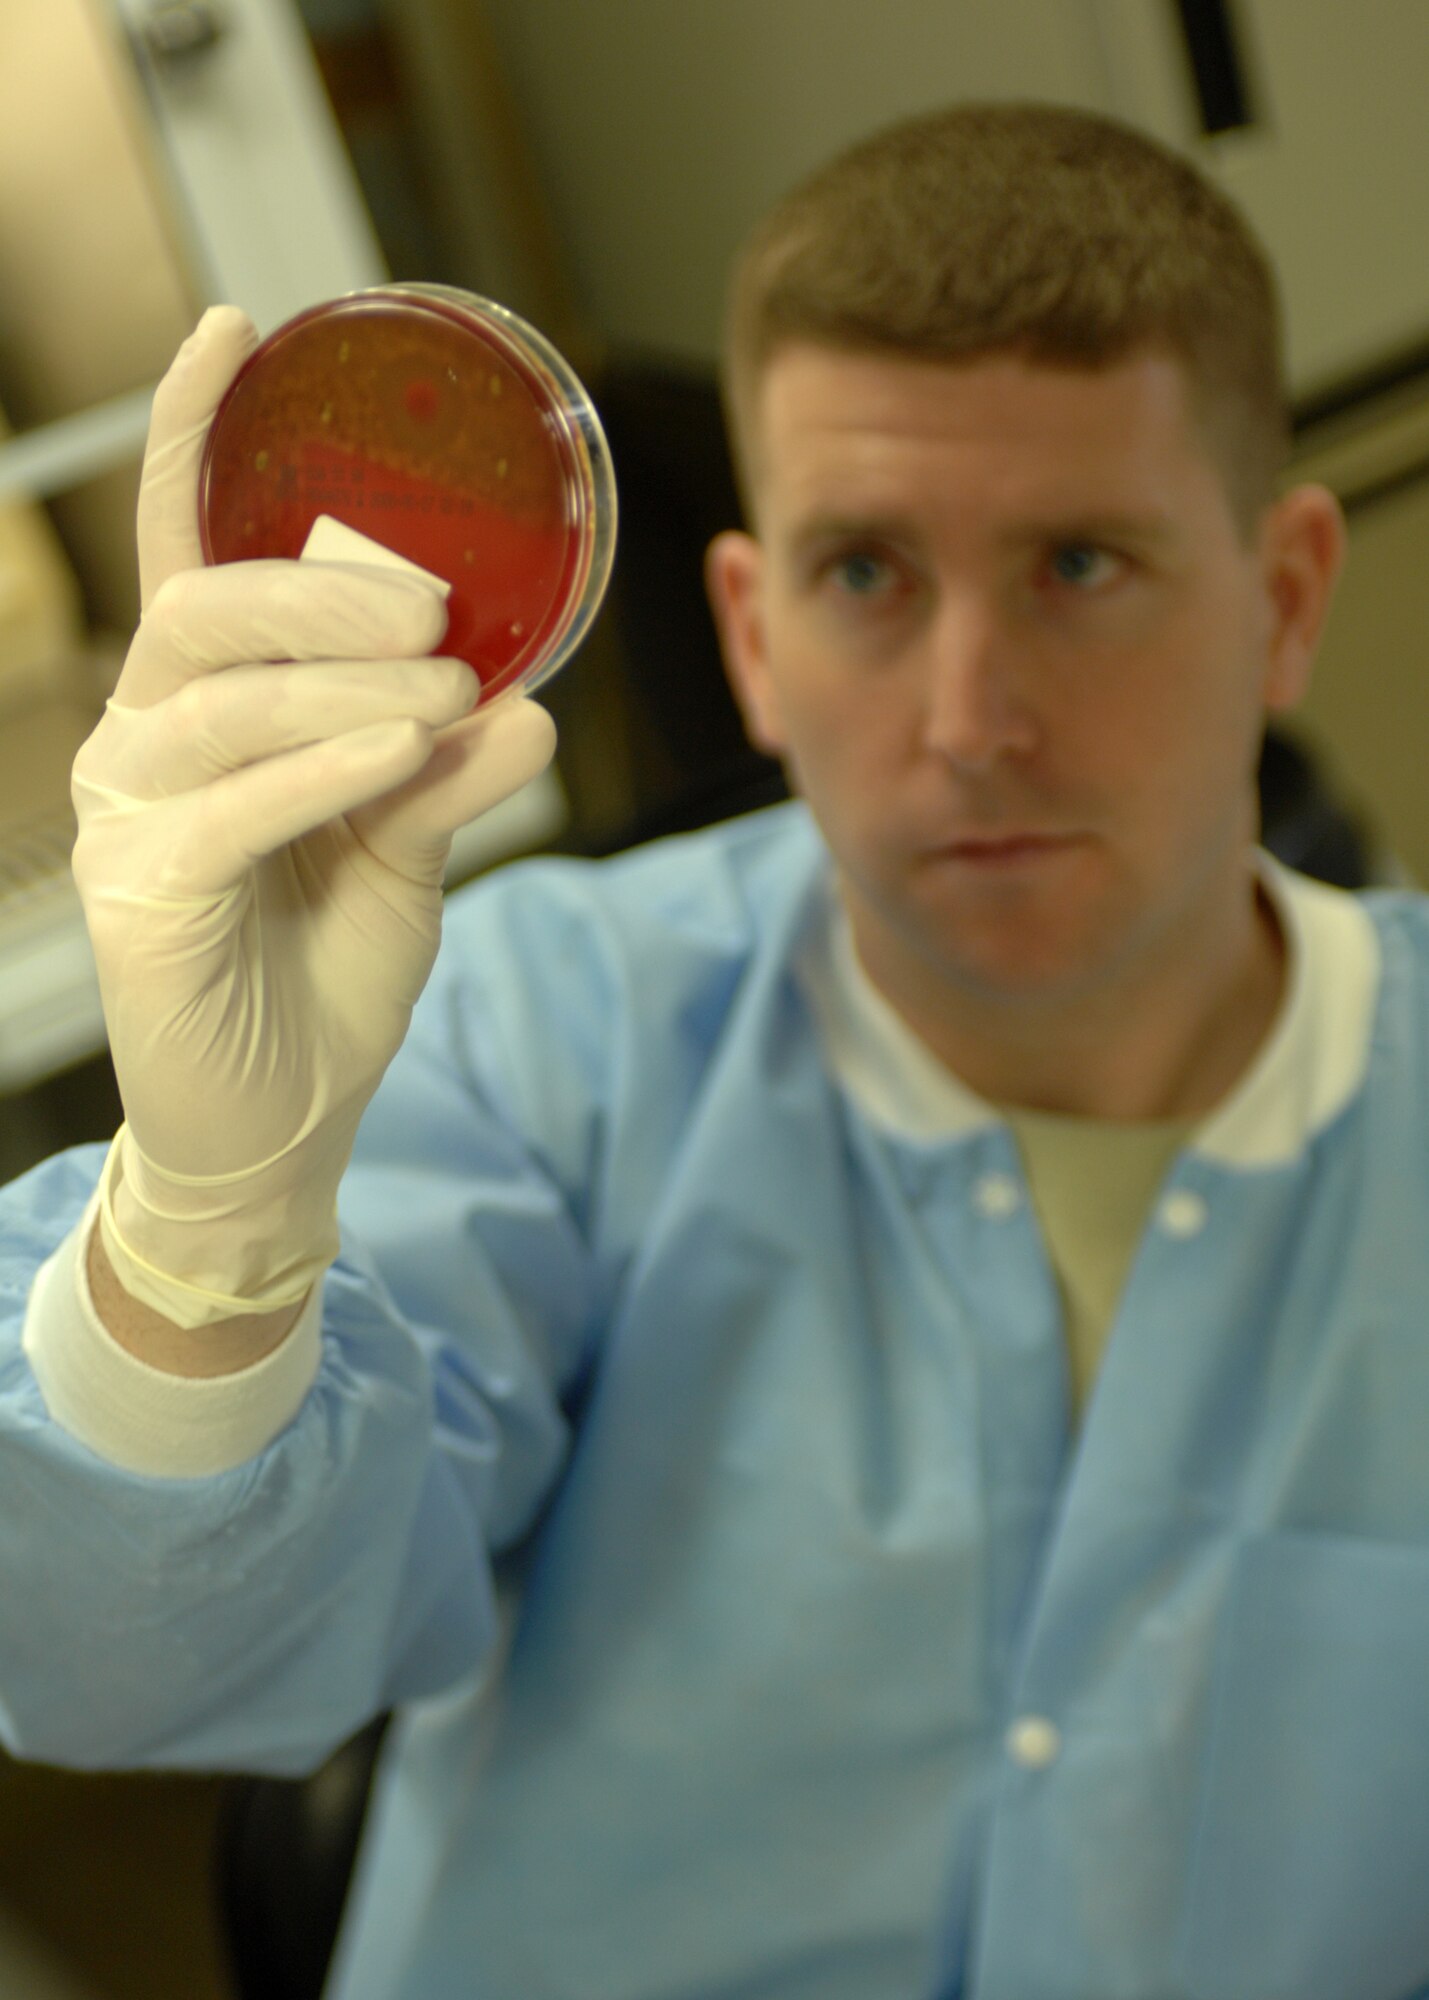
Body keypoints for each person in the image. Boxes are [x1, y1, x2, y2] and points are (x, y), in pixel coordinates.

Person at [0, 97, 1421, 2000]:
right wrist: (204, 1232)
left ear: (1287, 599)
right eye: (864, 576)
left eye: (1079, 564)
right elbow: (131, 1667)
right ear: (745, 636)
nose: (969, 716)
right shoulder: (532, 1037)